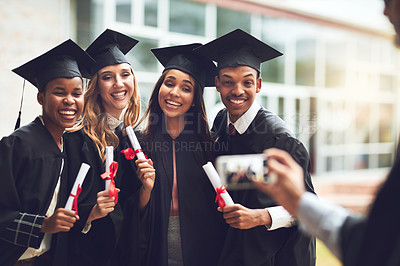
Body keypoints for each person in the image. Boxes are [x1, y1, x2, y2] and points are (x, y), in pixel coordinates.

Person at [254, 1, 400, 265]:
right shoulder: (219, 127)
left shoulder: (283, 139)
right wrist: (299, 200)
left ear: (258, 85)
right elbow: (377, 241)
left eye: (391, 2)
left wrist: (294, 204)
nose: (385, 12)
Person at [195, 29, 316, 266]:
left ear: (258, 84)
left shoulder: (279, 140)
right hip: (234, 249)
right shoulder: (221, 121)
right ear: (217, 84)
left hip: (276, 255)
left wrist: (260, 216)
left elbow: (307, 205)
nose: (237, 91)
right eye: (228, 82)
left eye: (247, 82)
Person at [119, 43, 228, 266]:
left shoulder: (212, 145)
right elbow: (128, 212)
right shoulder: (137, 144)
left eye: (186, 88)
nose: (174, 93)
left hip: (203, 250)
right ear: (160, 87)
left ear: (195, 98)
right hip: (152, 249)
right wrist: (145, 189)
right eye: (169, 84)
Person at [0, 39, 95, 265]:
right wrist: (43, 224)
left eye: (77, 93)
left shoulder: (68, 145)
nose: (70, 101)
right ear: (41, 97)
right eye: (59, 92)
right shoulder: (17, 145)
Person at [63, 29, 144, 266]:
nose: (119, 84)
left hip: (128, 254)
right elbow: (61, 205)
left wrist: (147, 187)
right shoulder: (76, 139)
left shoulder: (134, 138)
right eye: (108, 77)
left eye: (125, 74)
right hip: (89, 256)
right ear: (96, 86)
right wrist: (92, 212)